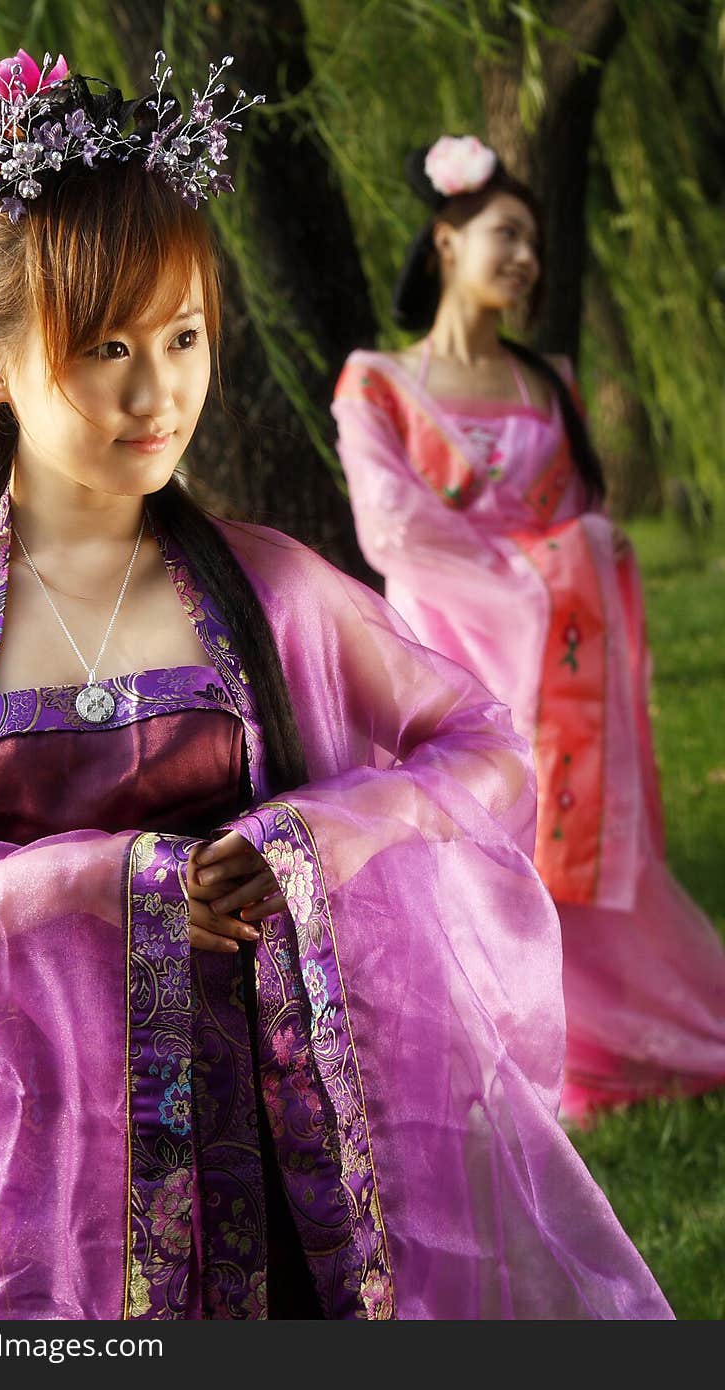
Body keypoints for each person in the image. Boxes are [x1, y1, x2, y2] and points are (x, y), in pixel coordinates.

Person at [0, 56, 671, 1321]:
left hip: (295, 1183)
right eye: (104, 346)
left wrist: (325, 835)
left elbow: (486, 745)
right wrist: (89, 882)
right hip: (33, 1196)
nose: (156, 389)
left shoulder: (275, 590)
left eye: (182, 337)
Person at [333, 134, 725, 1127]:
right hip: (450, 649)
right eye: (505, 234)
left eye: (535, 245)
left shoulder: (547, 379)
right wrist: (535, 574)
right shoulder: (377, 382)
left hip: (566, 660)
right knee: (467, 847)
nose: (525, 259)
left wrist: (576, 560)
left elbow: (580, 509)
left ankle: (603, 1035)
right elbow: (393, 527)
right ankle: (484, 1040)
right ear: (445, 240)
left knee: (576, 843)